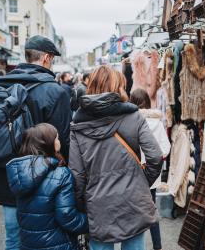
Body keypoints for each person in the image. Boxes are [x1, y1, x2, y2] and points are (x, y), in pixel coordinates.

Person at [0, 35, 72, 250]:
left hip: (7, 176)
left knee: (13, 238)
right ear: (46, 58)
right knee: (46, 238)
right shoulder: (55, 91)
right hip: (44, 181)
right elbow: (63, 140)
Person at [69, 65, 163, 250]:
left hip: (98, 203)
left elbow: (77, 175)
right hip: (133, 200)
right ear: (118, 86)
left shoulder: (78, 124)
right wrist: (142, 181)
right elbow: (155, 157)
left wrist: (83, 204)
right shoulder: (134, 116)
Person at [6, 123, 88, 250]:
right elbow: (67, 216)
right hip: (57, 244)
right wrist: (89, 222)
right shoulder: (61, 174)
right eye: (57, 138)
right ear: (50, 143)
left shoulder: (20, 173)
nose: (59, 141)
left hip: (29, 244)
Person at [130, 88, 171, 250]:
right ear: (148, 101)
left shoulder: (129, 121)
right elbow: (165, 148)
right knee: (152, 211)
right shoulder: (157, 122)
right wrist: (155, 160)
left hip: (134, 174)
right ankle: (157, 245)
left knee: (134, 212)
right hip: (152, 175)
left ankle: (134, 244)